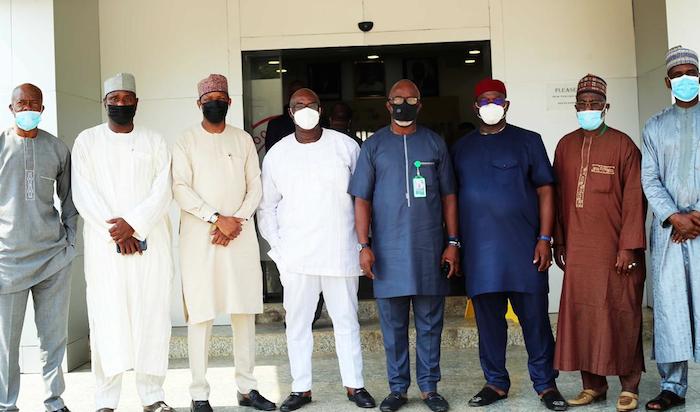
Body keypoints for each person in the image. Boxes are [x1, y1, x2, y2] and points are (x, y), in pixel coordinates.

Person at [257, 88, 376, 412]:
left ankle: (355, 385)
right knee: (298, 325)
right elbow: (266, 208)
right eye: (299, 105)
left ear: (320, 109)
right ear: (290, 112)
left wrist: (363, 244)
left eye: (311, 104)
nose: (305, 109)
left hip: (341, 252)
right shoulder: (278, 154)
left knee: (346, 321)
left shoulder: (345, 146)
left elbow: (363, 198)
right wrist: (280, 252)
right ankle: (301, 388)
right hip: (297, 257)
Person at [452, 78, 567, 411]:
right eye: (484, 100)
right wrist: (454, 243)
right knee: (489, 324)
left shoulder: (528, 141)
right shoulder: (461, 148)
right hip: (480, 253)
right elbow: (451, 199)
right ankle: (495, 383)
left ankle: (546, 385)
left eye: (497, 100)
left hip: (525, 249)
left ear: (507, 105)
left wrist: (545, 238)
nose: (491, 106)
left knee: (535, 321)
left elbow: (546, 190)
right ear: (475, 107)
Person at [349, 79, 459, 412]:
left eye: (411, 99)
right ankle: (397, 389)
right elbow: (362, 199)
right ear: (388, 104)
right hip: (388, 251)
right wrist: (364, 245)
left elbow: (449, 196)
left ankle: (429, 388)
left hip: (429, 248)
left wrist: (453, 242)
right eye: (398, 99)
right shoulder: (373, 147)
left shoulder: (435, 143)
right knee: (393, 327)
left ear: (420, 105)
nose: (404, 105)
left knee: (430, 324)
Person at [172, 74, 276, 412]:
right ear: (199, 103)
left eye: (220, 98)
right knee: (200, 314)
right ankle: (199, 393)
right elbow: (180, 188)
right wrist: (217, 218)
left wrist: (237, 221)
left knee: (243, 311)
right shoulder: (186, 140)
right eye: (209, 99)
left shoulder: (242, 139)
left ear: (229, 102)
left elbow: (255, 185)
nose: (214, 103)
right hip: (200, 239)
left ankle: (247, 388)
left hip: (239, 236)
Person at [72, 73, 174, 412]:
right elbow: (83, 192)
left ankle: (152, 396)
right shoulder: (87, 141)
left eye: (126, 98)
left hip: (149, 243)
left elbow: (163, 188)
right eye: (114, 99)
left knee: (151, 316)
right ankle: (105, 399)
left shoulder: (154, 140)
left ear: (137, 103)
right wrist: (117, 232)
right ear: (105, 103)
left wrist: (135, 226)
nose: (120, 104)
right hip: (105, 247)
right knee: (107, 316)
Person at [552, 74, 646, 412]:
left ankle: (630, 386)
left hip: (616, 252)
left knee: (622, 315)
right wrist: (559, 241)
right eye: (583, 104)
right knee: (584, 318)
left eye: (595, 104)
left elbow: (635, 199)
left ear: (606, 107)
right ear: (575, 107)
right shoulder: (565, 146)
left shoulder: (623, 145)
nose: (588, 109)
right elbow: (558, 198)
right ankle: (593, 385)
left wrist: (628, 246)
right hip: (578, 251)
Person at [0, 84, 77, 412]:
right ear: (11, 108)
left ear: (43, 109)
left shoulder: (57, 148)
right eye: (22, 104)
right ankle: (6, 404)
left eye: (34, 104)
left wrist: (70, 243)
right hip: (8, 261)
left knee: (53, 338)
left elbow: (70, 200)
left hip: (52, 259)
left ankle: (54, 402)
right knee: (6, 344)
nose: (28, 109)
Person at [641, 45, 700, 411]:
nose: (684, 79)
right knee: (670, 309)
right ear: (667, 82)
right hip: (669, 232)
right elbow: (649, 178)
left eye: (690, 73)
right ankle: (672, 388)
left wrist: (696, 216)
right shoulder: (655, 126)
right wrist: (674, 216)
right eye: (677, 75)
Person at [264, 80, 305, 152]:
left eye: (301, 94)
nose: (297, 97)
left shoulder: (315, 122)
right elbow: (271, 153)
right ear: (289, 96)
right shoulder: (275, 125)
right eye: (293, 93)